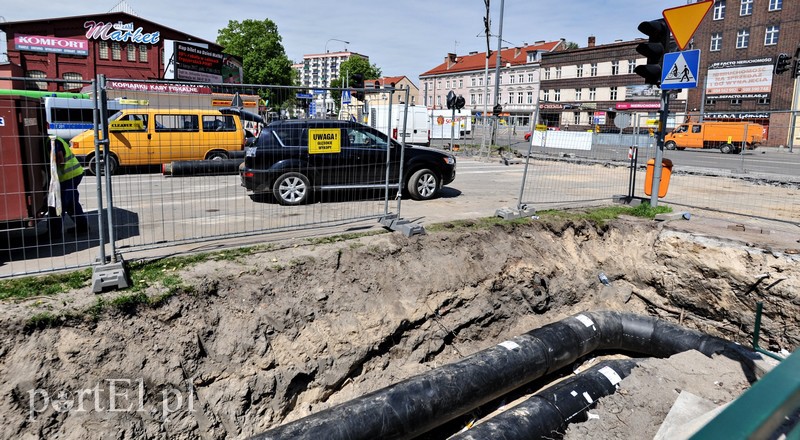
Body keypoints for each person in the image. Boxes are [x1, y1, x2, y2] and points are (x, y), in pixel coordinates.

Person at [48, 136, 89, 237]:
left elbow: (60, 159)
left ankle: (55, 233)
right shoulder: (54, 139)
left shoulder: (52, 141)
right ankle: (82, 227)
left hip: (69, 176)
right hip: (73, 174)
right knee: (71, 202)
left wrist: (52, 173)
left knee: (60, 203)